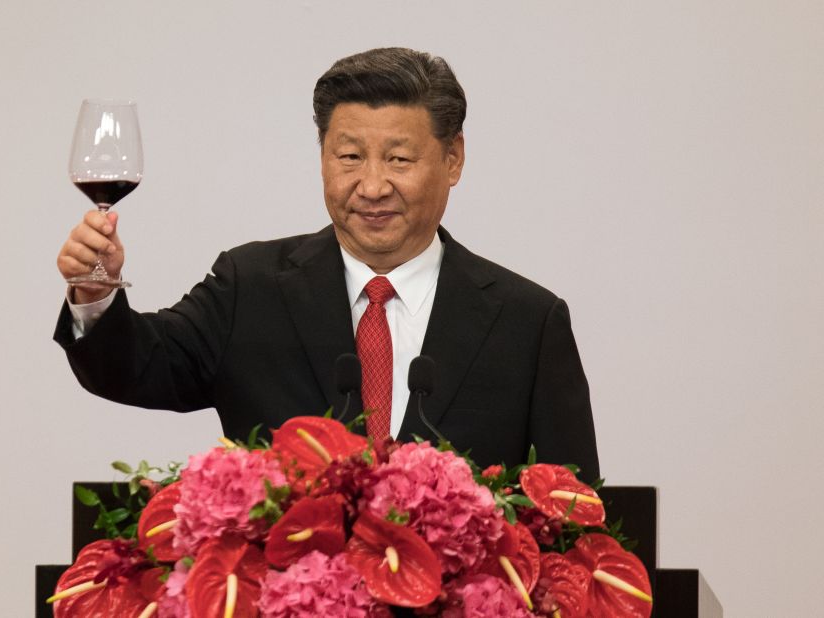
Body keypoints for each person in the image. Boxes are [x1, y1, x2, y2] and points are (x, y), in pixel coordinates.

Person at [55, 47, 599, 482]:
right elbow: (136, 368)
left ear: (452, 158)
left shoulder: (527, 323)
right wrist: (95, 289)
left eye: (398, 159)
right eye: (349, 156)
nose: (372, 186)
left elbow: (572, 513)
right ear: (322, 156)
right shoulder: (250, 287)